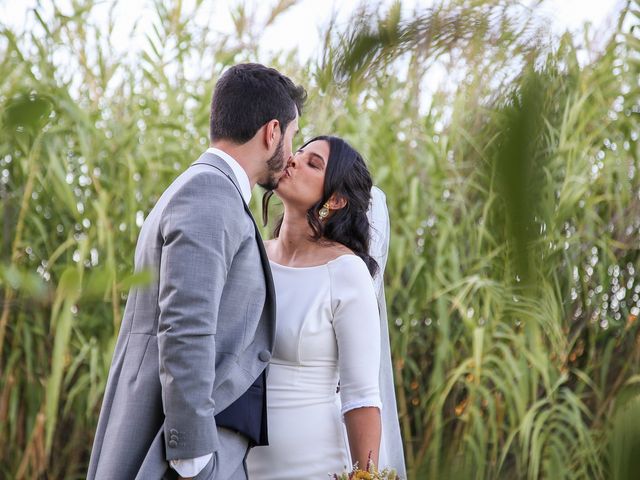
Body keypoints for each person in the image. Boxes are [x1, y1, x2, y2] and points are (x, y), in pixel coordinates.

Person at [87, 63, 306, 480]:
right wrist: (195, 460)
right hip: (178, 453)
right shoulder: (210, 192)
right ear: (272, 131)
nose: (292, 154)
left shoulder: (202, 188)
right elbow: (186, 325)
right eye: (293, 137)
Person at [246, 136, 406, 478]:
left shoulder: (345, 272)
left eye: (313, 163)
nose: (294, 160)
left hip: (311, 464)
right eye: (298, 152)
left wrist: (365, 476)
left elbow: (361, 396)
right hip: (235, 460)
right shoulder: (252, 254)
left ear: (334, 199)